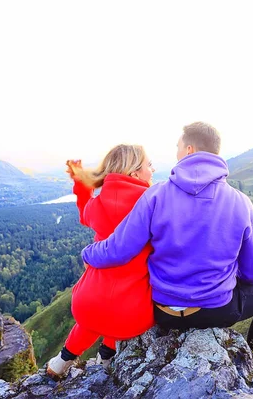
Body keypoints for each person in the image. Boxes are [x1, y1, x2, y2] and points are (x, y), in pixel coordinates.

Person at [81, 122, 253, 348]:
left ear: (189, 150)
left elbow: (118, 250)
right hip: (215, 311)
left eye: (177, 146)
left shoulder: (155, 195)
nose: (176, 152)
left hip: (163, 312)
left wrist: (87, 253)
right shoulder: (240, 203)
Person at [47, 144, 156, 377]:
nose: (153, 169)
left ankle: (62, 360)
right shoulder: (152, 203)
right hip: (133, 314)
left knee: (91, 321)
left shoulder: (97, 204)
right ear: (135, 172)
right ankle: (107, 356)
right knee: (120, 308)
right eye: (149, 165)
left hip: (88, 302)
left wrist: (79, 182)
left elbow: (83, 213)